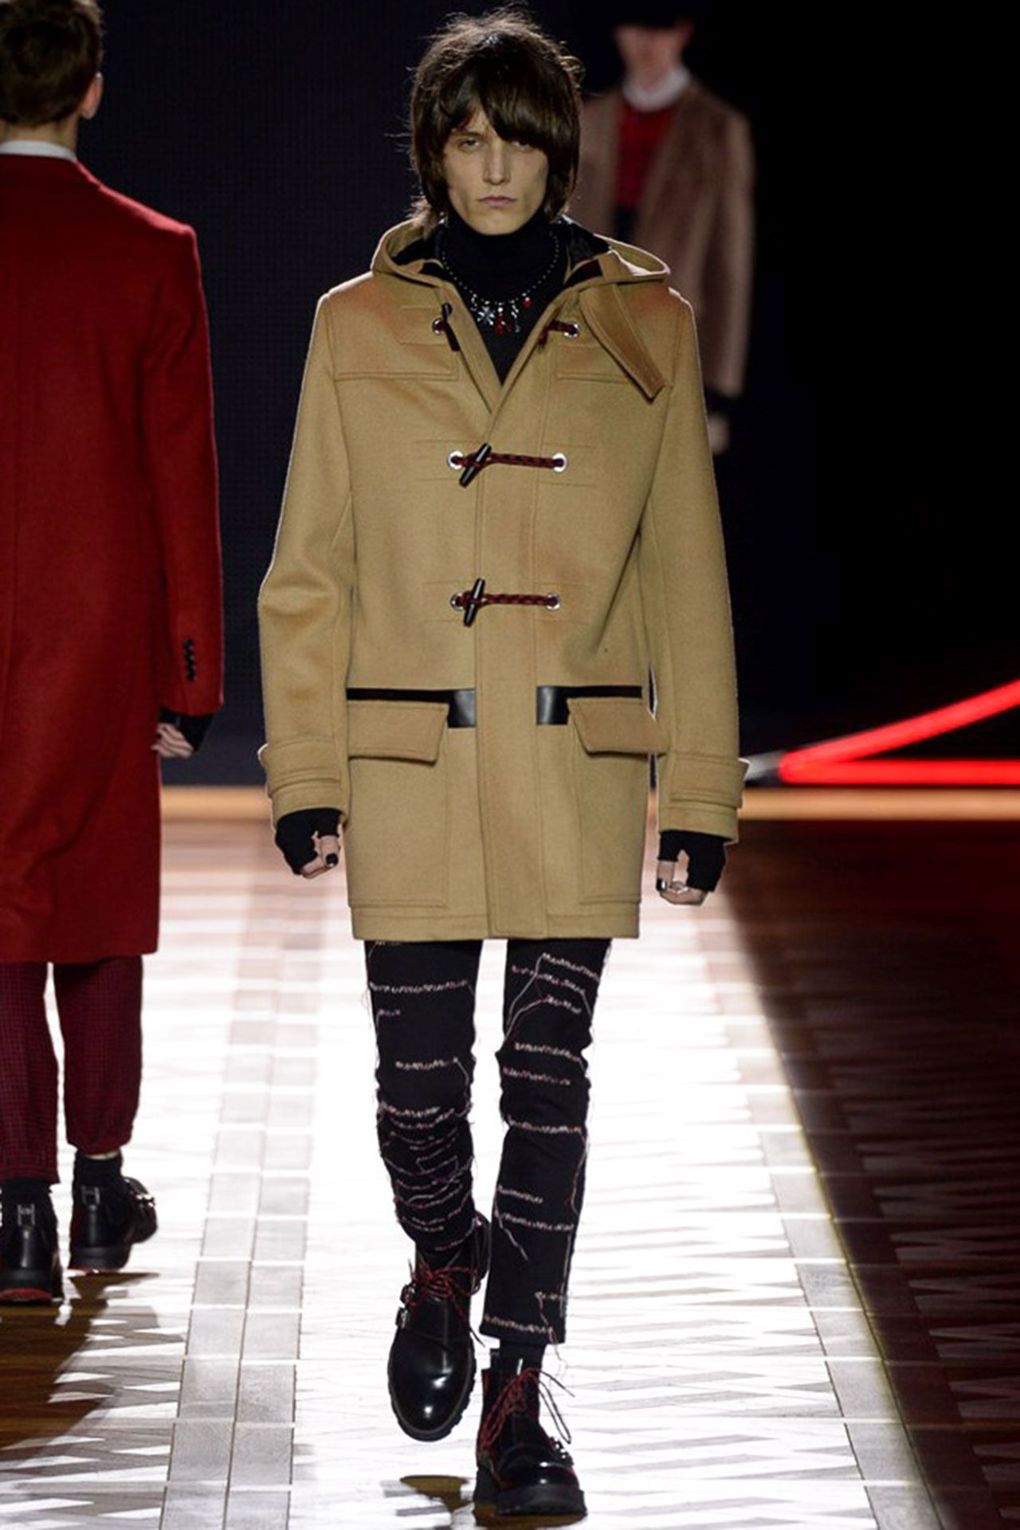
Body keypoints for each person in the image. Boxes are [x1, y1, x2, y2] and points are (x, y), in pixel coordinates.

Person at [258, 7, 745, 1519]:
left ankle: (520, 1397)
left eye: (518, 141)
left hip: (571, 755)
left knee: (548, 1079)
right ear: (431, 153)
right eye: (467, 141)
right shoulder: (354, 325)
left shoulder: (645, 325)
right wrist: (304, 769)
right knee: (418, 1099)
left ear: (557, 152)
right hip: (409, 753)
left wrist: (702, 792)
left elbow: (685, 574)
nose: (492, 169)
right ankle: (442, 1254)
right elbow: (310, 566)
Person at [0, 0, 223, 1301]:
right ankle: (95, 1187)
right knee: (94, 908)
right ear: (90, 89)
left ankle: (14, 1210)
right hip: (97, 636)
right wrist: (190, 671)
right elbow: (179, 478)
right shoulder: (152, 252)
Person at [569, 1, 755, 455]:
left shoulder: (718, 127)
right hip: (591, 343)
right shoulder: (589, 121)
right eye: (635, 28)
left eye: (659, 29)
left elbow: (730, 263)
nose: (646, 43)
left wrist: (718, 390)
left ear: (682, 33)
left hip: (676, 344)